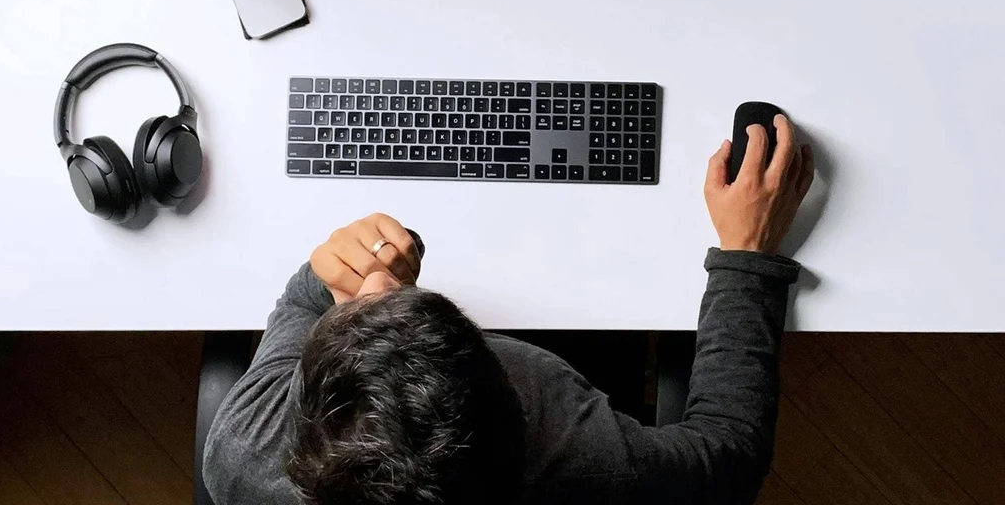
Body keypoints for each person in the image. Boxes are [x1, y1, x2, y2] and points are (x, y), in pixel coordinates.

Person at [204, 115, 815, 505]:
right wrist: (748, 253)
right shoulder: (575, 455)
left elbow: (302, 300)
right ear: (514, 391)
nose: (377, 282)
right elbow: (730, 453)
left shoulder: (242, 449)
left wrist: (326, 276)